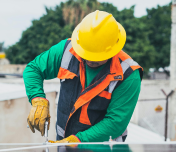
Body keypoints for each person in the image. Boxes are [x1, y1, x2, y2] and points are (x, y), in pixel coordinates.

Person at [23, 10, 143, 143]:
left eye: (97, 57)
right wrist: (38, 99)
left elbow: (115, 123)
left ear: (112, 50)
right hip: (64, 148)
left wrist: (77, 140)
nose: (90, 60)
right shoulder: (67, 51)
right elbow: (34, 69)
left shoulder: (128, 74)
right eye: (86, 54)